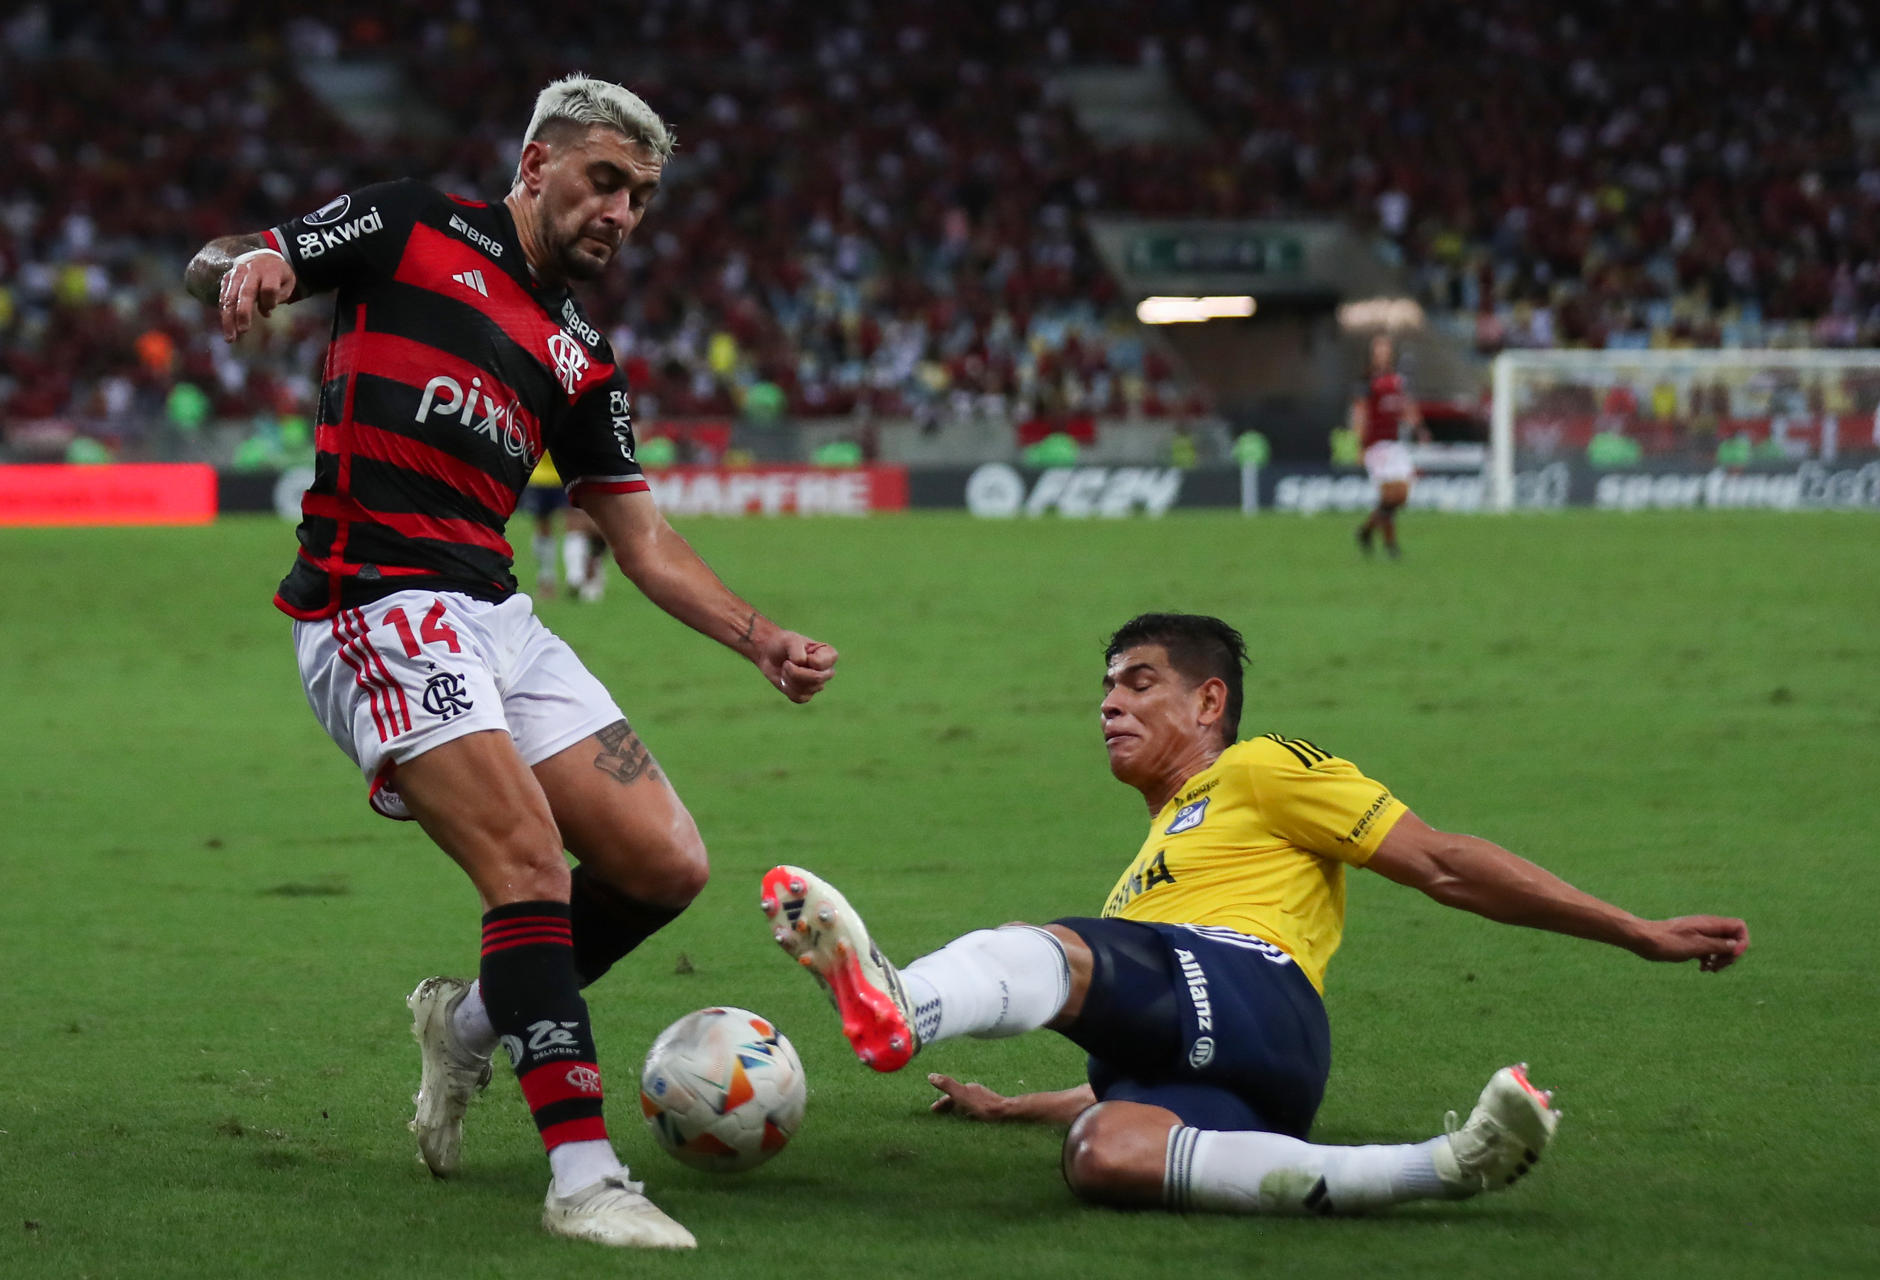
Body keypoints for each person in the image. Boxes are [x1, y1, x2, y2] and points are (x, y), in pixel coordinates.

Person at [185, 74, 838, 1250]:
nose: (622, 213)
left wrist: (761, 636)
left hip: (493, 612)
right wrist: (256, 268)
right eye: (604, 182)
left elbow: (639, 536)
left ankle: (471, 1024)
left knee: (662, 861)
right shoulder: (409, 225)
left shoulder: (583, 353)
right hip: (372, 600)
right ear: (535, 166)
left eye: (640, 197)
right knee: (530, 864)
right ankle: (584, 1177)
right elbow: (255, 253)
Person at [762, 613, 1747, 1217]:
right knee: (1103, 1151)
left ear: (1209, 700)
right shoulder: (1147, 871)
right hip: (1251, 1069)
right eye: (1104, 686)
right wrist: (1015, 1105)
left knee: (1050, 950)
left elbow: (1445, 863)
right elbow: (1163, 1038)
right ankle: (1445, 1165)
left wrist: (1634, 927)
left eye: (1138, 681)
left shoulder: (1259, 766)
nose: (1110, 702)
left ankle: (906, 998)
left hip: (1253, 987)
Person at [1352, 334, 1427, 558]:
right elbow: (1360, 413)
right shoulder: (1366, 382)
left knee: (1400, 494)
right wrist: (1360, 445)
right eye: (1379, 350)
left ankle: (1366, 530)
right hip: (1376, 445)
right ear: (1373, 354)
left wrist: (1419, 428)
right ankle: (1390, 545)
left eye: (1386, 349)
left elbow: (1405, 407)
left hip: (1394, 443)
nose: (1383, 354)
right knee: (1389, 496)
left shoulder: (1397, 381)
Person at [524, 453, 610, 602]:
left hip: (568, 474)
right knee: (545, 528)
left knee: (577, 524)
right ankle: (549, 581)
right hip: (541, 475)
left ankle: (575, 577)